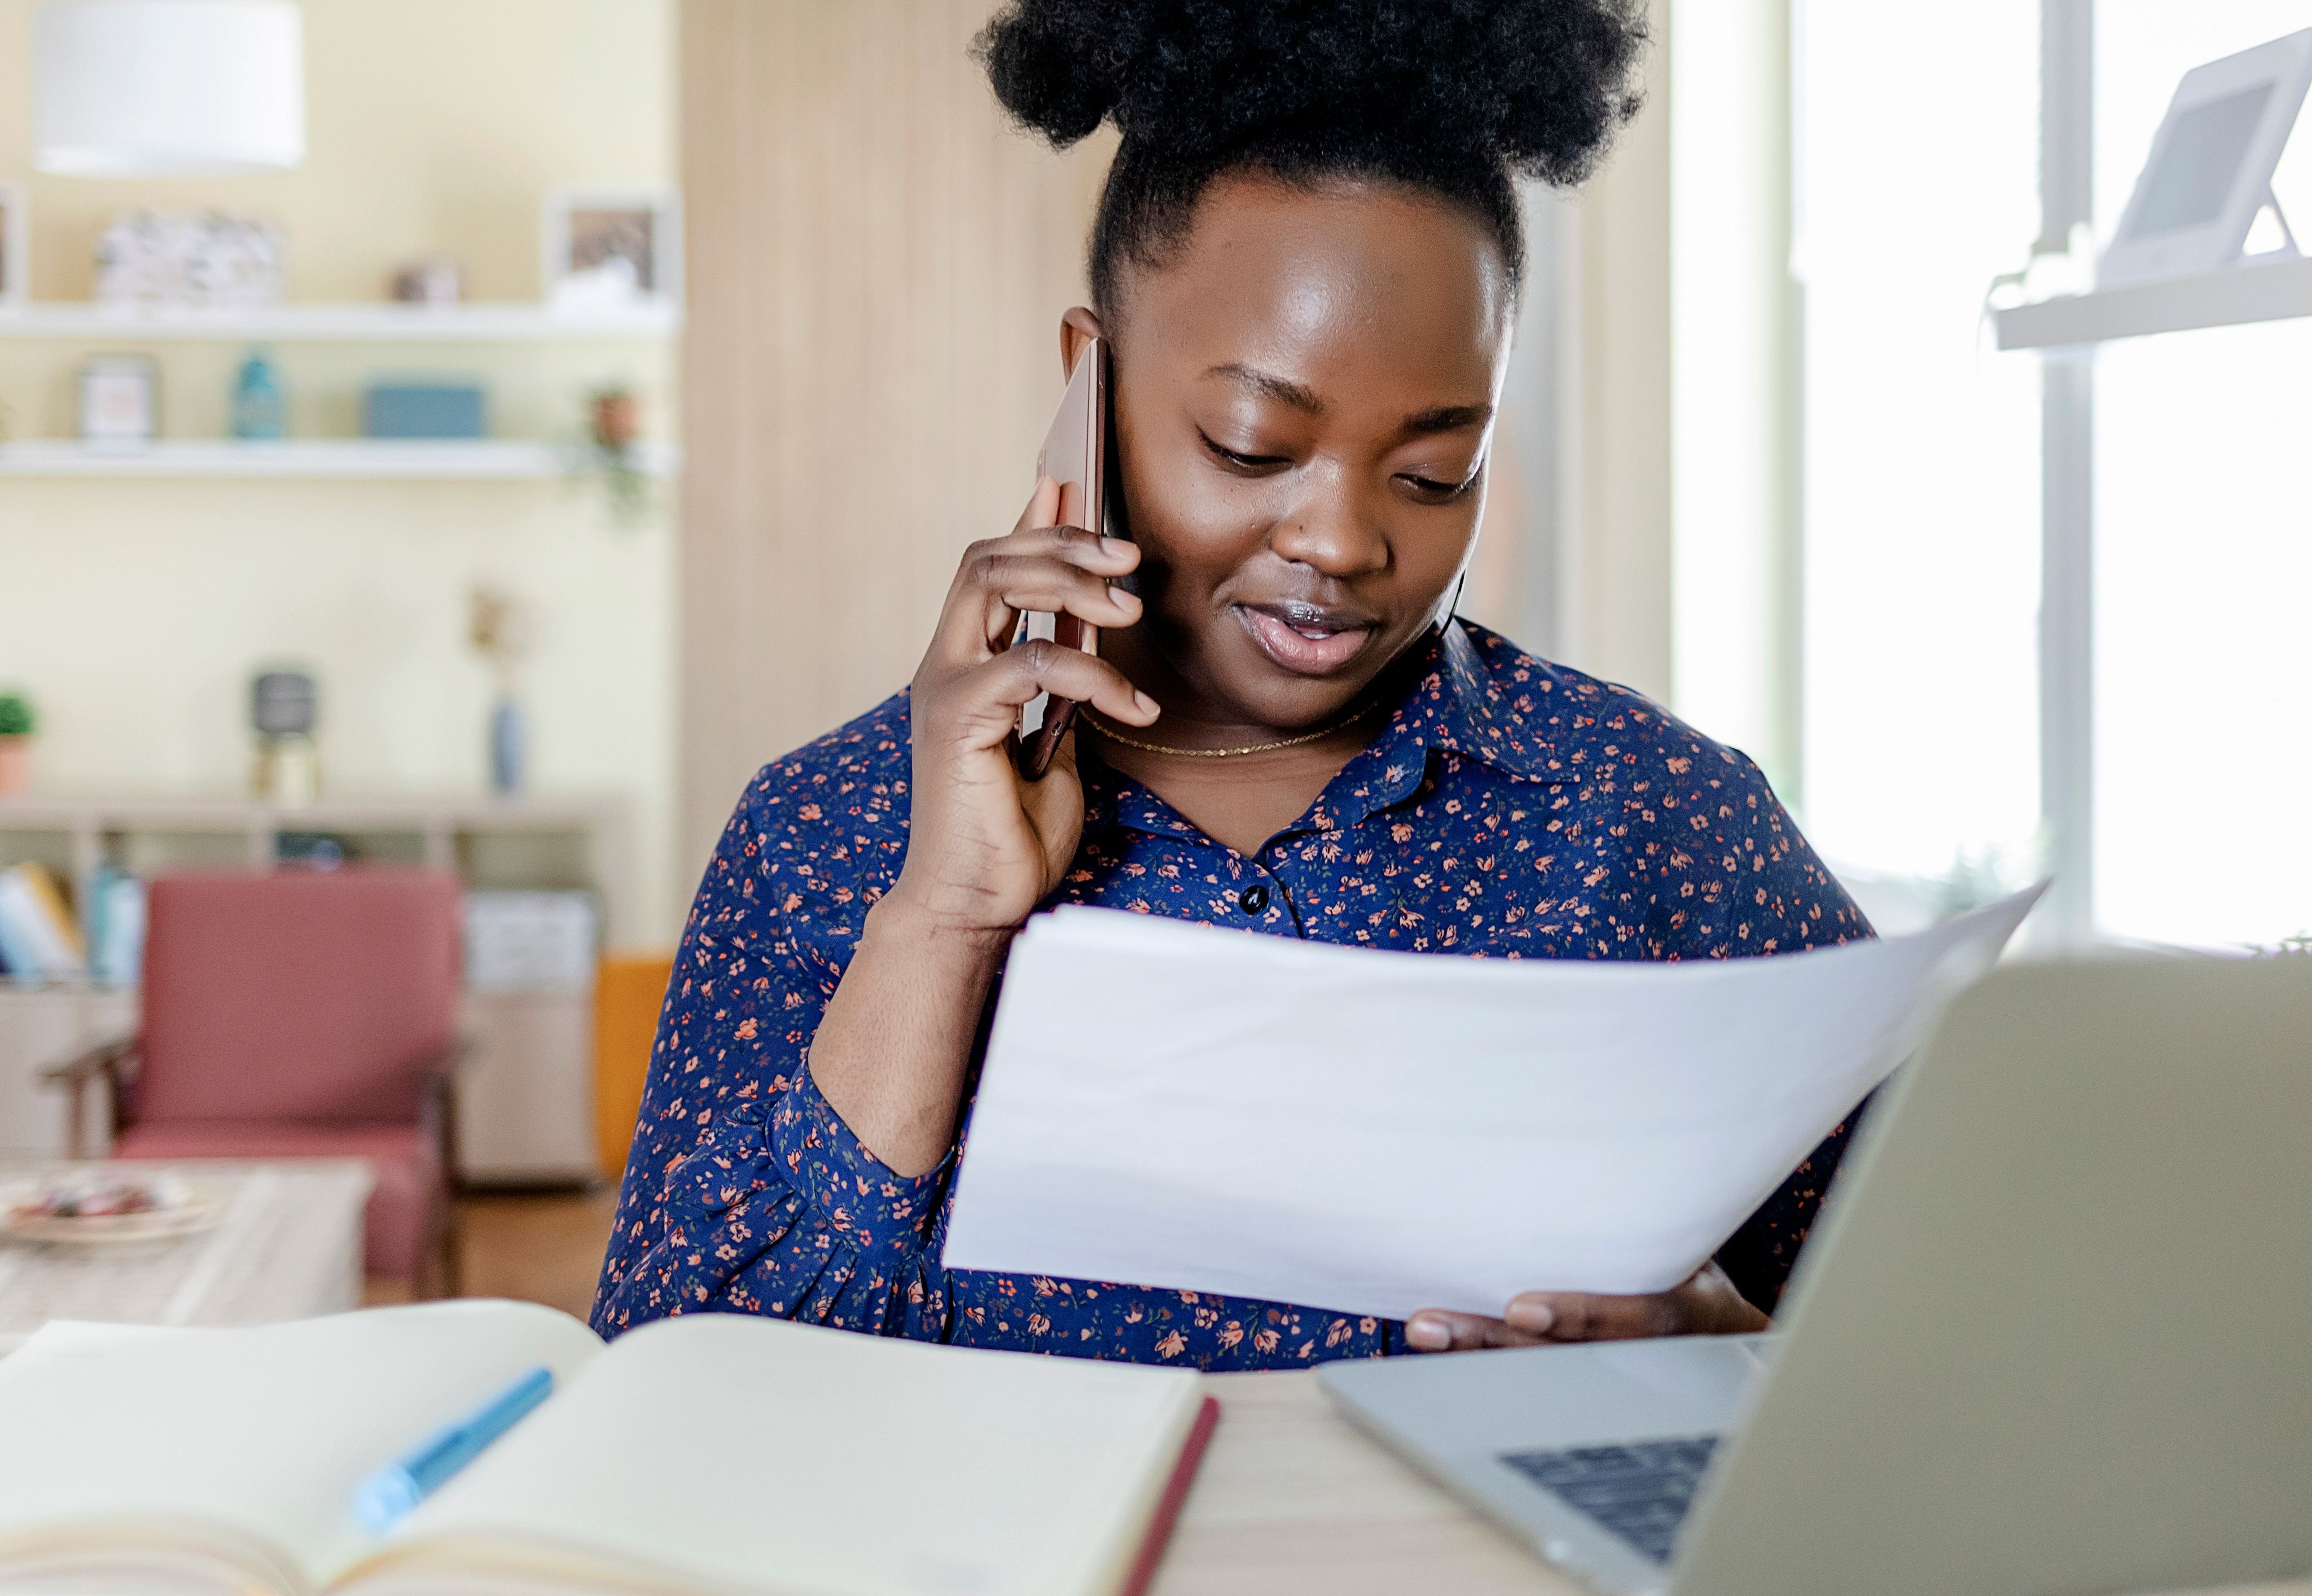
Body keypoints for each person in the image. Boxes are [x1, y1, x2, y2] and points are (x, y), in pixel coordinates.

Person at [591, 0, 1871, 1370]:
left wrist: (1715, 1344)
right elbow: (673, 1395)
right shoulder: (825, 833)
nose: (1345, 541)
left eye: (1436, 470)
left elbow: (1981, 1300)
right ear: (1091, 380)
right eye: (1254, 446)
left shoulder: (1648, 814)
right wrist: (943, 923)